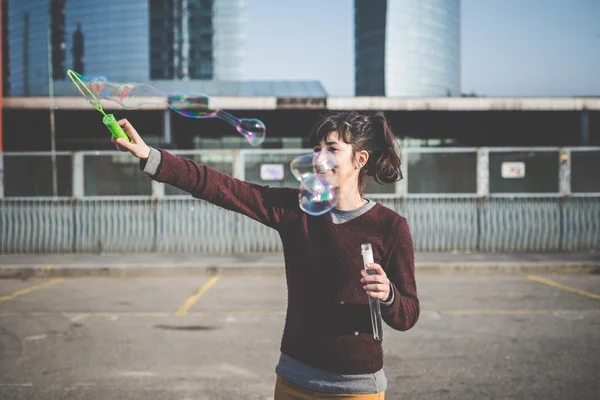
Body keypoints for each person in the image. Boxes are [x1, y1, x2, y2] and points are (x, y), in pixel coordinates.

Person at [112, 111, 419, 399]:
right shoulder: (294, 209)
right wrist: (151, 157)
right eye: (316, 148)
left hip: (356, 389)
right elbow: (220, 186)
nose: (318, 156)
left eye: (332, 148)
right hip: (293, 381)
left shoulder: (390, 227)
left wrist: (389, 296)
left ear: (359, 160)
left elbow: (408, 313)